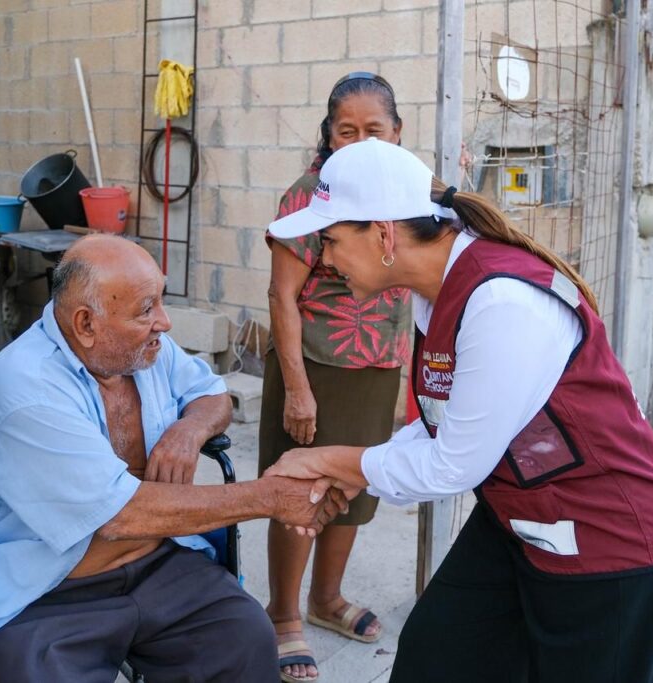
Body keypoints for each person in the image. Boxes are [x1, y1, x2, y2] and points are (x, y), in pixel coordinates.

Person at [264, 138, 653, 682]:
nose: (323, 259)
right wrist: (357, 472)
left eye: (330, 240)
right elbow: (446, 429)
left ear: (383, 234)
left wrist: (330, 463)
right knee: (433, 658)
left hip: (611, 543)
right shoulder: (433, 293)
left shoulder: (502, 302)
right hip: (521, 519)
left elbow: (453, 465)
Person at [0, 235, 349, 683]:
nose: (164, 322)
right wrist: (271, 498)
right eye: (146, 309)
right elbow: (118, 516)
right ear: (86, 324)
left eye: (161, 300)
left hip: (159, 562)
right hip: (44, 590)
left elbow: (213, 394)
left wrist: (188, 431)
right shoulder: (27, 388)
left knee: (245, 638)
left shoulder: (141, 348)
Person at [259, 71, 410, 682]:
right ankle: (281, 616)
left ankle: (326, 599)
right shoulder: (306, 198)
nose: (362, 141)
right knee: (302, 493)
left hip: (378, 367)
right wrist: (296, 387)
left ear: (397, 133)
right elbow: (280, 297)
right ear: (328, 136)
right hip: (316, 367)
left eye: (374, 130)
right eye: (347, 131)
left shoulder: (407, 194)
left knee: (354, 491)